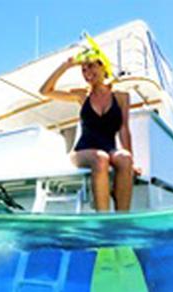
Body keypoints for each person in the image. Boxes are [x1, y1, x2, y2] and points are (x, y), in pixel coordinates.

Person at [39, 49, 142, 212]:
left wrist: (132, 164)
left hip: (109, 148)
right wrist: (66, 66)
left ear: (103, 67)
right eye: (83, 70)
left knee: (125, 158)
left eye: (91, 67)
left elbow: (123, 128)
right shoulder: (81, 95)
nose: (87, 73)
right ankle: (103, 220)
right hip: (83, 151)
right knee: (100, 158)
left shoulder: (122, 96)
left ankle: (122, 219)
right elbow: (45, 91)